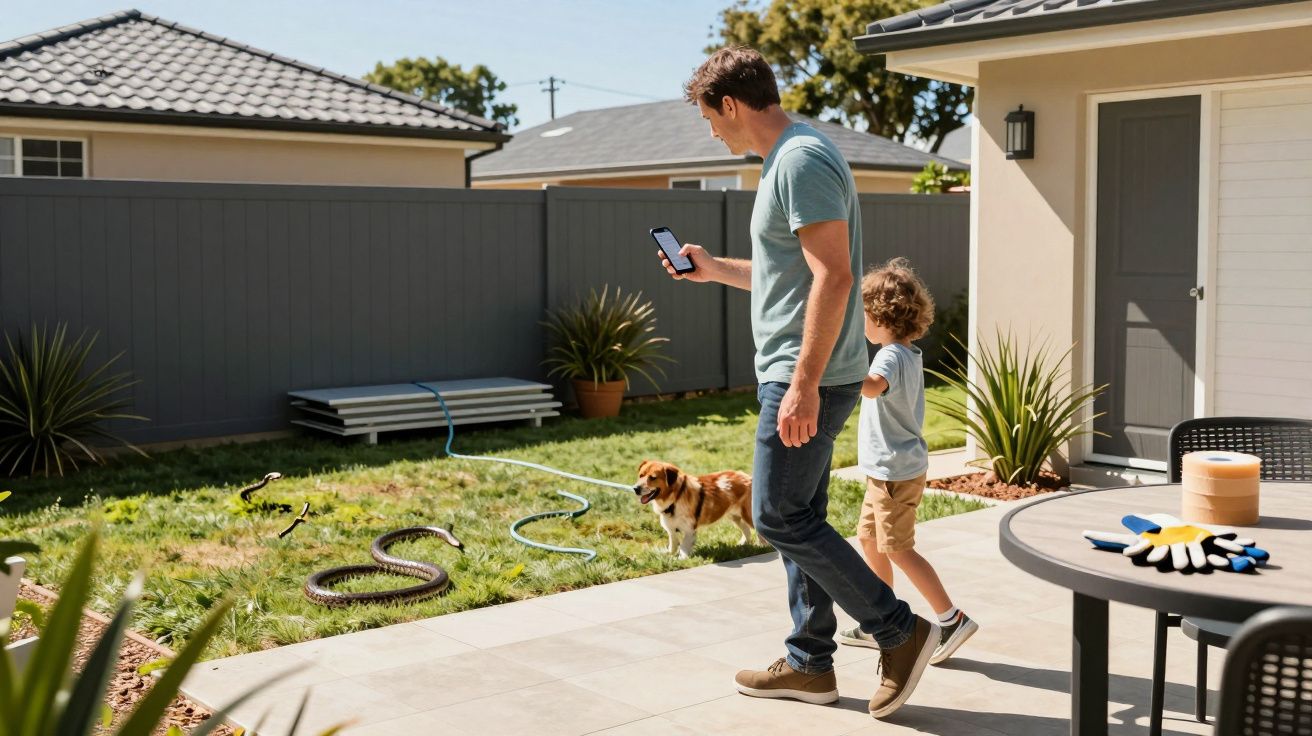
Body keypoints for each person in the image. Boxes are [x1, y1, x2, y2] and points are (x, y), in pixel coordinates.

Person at [658, 46, 938, 720]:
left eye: (710, 118)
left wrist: (804, 383)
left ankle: (900, 631)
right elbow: (791, 274)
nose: (711, 131)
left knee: (778, 514)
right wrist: (712, 268)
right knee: (798, 518)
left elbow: (836, 276)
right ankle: (810, 663)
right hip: (800, 372)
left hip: (804, 374)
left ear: (731, 103)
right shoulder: (792, 159)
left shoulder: (802, 159)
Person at [837, 257, 978, 664]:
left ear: (881, 316)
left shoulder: (889, 357)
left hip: (895, 474)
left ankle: (951, 619)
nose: (860, 324)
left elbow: (870, 388)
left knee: (897, 548)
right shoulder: (906, 353)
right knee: (869, 540)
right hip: (887, 471)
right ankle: (881, 620)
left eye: (862, 315)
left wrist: (840, 363)